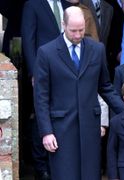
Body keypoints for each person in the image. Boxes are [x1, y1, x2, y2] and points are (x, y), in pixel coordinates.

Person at [33, 6, 124, 180]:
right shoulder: (46, 52)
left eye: (81, 30)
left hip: (90, 128)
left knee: (90, 175)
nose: (77, 35)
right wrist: (46, 132)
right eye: (73, 30)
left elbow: (105, 86)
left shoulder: (97, 49)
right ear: (63, 25)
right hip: (60, 129)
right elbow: (41, 96)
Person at [21, 0, 65, 178]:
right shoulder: (33, 5)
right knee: (41, 113)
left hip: (63, 70)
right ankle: (41, 167)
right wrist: (34, 72)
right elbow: (28, 39)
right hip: (42, 70)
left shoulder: (65, 4)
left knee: (59, 112)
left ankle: (57, 162)